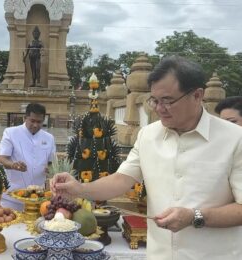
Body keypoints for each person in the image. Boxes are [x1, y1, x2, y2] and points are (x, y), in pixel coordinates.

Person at [51, 56, 242, 260]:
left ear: (197, 95)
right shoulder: (148, 135)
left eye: (168, 100)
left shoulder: (234, 139)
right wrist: (79, 188)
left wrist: (195, 217)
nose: (159, 109)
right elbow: (122, 179)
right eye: (154, 101)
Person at [0, 103, 56, 211]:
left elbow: (51, 163)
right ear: (25, 118)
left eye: (39, 122)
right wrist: (13, 165)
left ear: (44, 120)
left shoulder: (49, 138)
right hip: (12, 197)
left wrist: (50, 170)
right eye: (32, 121)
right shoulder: (10, 133)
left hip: (38, 198)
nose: (35, 125)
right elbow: (2, 158)